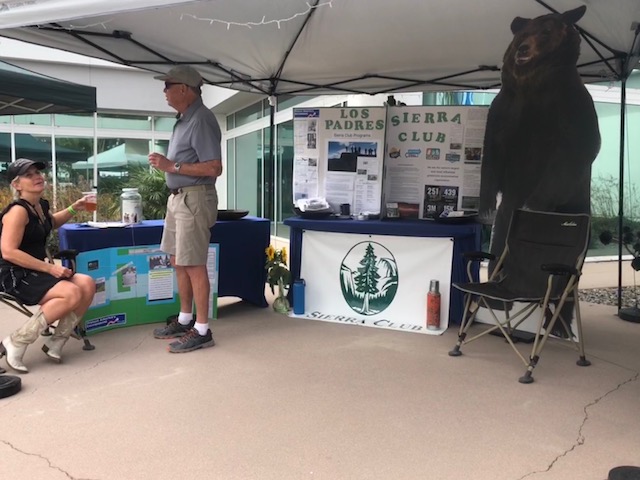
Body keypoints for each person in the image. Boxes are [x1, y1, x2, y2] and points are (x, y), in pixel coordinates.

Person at [148, 65, 222, 353]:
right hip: (179, 198)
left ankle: (202, 330)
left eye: (167, 85)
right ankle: (185, 318)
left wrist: (172, 166)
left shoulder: (201, 119)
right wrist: (170, 167)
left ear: (184, 88)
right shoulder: (184, 120)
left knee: (193, 263)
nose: (164, 91)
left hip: (194, 198)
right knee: (179, 261)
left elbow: (215, 167)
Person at [0, 158, 96, 373]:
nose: (37, 176)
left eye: (38, 172)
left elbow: (49, 224)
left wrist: (74, 207)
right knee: (70, 292)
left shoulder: (40, 205)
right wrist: (51, 268)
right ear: (16, 185)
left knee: (87, 283)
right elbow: (8, 251)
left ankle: (57, 341)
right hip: (14, 274)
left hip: (34, 270)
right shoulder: (18, 211)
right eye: (29, 174)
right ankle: (17, 340)